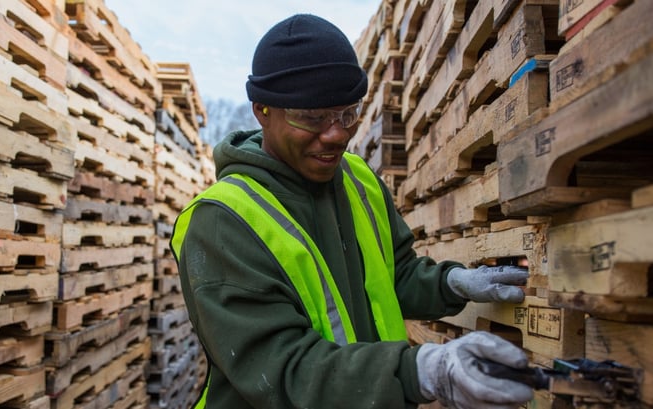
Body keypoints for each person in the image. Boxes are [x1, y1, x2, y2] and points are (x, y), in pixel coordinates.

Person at [170, 13, 534, 409]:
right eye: (312, 118)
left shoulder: (357, 180)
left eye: (347, 114)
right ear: (262, 111)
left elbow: (395, 277)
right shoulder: (222, 221)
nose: (336, 134)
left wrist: (453, 284)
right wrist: (417, 372)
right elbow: (280, 369)